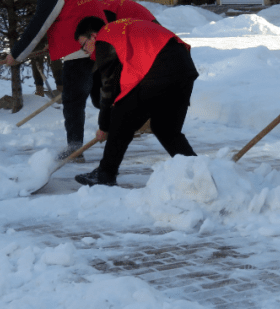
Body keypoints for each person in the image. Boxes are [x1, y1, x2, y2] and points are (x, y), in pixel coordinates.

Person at [6, 0, 108, 161]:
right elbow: (74, 15)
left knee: (73, 101)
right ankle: (117, 134)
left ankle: (74, 148)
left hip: (78, 52)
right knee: (102, 97)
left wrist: (17, 54)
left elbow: (39, 25)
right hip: (102, 47)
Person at [73, 15, 198, 187]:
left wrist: (104, 126)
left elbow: (109, 88)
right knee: (166, 129)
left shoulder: (104, 38)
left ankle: (105, 174)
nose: (85, 51)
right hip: (184, 69)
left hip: (158, 69)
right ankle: (198, 172)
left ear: (93, 36)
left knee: (120, 118)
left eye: (83, 45)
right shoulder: (122, 29)